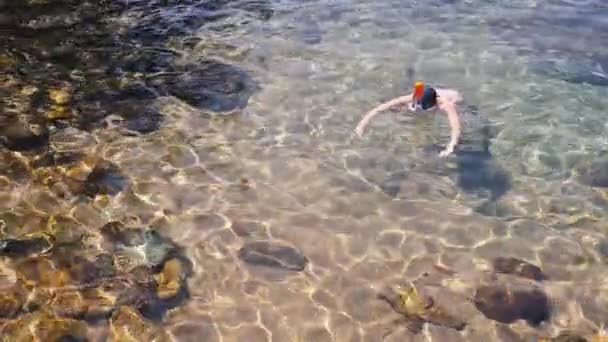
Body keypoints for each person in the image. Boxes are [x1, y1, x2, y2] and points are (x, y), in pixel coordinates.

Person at [355, 81, 463, 157]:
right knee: (397, 108)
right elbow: (382, 107)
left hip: (453, 97)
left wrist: (451, 146)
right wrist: (362, 124)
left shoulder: (446, 105)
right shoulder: (412, 97)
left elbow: (455, 127)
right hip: (429, 95)